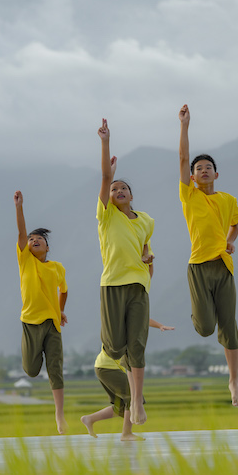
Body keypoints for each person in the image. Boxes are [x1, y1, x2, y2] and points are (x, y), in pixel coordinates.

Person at [178, 104, 238, 408]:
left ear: (216, 173)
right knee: (205, 328)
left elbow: (235, 226)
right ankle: (201, 311)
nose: (203, 170)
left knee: (228, 325)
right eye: (198, 168)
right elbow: (182, 158)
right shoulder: (189, 196)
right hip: (198, 267)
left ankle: (233, 380)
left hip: (223, 266)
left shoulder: (229, 199)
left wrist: (230, 242)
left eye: (208, 167)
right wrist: (184, 126)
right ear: (192, 177)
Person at [97, 118, 155, 425]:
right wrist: (106, 143)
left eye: (124, 188)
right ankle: (125, 390)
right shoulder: (106, 217)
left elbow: (146, 250)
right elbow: (105, 178)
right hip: (112, 285)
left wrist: (148, 259)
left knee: (137, 346)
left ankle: (136, 402)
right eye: (114, 189)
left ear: (131, 195)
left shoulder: (146, 220)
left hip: (139, 286)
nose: (118, 190)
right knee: (115, 346)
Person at [14, 190, 69, 434]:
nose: (34, 241)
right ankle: (31, 366)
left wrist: (60, 311)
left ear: (47, 246)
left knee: (55, 368)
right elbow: (21, 233)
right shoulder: (25, 260)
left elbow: (64, 291)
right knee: (32, 370)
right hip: (29, 322)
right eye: (32, 239)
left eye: (39, 239)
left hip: (52, 324)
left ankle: (59, 415)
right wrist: (19, 207)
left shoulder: (57, 268)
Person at [81, 319, 174, 441]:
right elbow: (140, 318)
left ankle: (90, 419)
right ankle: (126, 433)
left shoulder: (125, 324)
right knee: (133, 397)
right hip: (107, 368)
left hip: (105, 367)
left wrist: (160, 325)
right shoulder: (118, 326)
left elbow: (142, 317)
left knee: (122, 406)